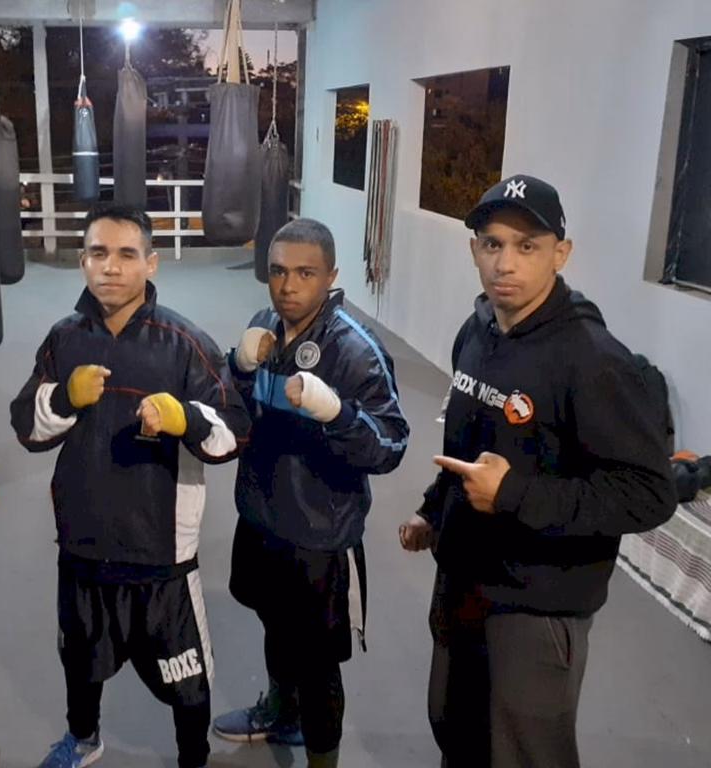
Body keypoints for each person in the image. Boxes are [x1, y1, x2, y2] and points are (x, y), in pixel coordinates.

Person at [398, 174, 677, 768]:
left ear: (560, 253)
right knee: (455, 731)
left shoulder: (594, 360)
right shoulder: (477, 332)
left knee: (525, 754)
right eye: (492, 244)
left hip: (537, 603)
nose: (505, 263)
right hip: (463, 577)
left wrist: (516, 494)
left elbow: (649, 494)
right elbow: (470, 446)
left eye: (527, 246)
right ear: (473, 249)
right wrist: (434, 508)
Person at [10, 204, 251, 768]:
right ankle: (83, 738)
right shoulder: (64, 338)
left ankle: (193, 757)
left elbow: (235, 431)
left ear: (151, 262)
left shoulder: (184, 342)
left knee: (186, 680)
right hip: (83, 545)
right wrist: (64, 397)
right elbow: (26, 426)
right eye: (98, 253)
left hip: (160, 554)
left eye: (126, 254)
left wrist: (185, 419)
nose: (111, 267)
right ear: (82, 261)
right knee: (80, 660)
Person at [211, 218, 410, 768]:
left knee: (319, 665)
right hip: (260, 517)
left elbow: (392, 445)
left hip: (320, 537)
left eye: (305, 273)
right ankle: (280, 709)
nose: (288, 286)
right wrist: (237, 367)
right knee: (273, 625)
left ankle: (322, 759)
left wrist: (337, 412)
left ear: (331, 276)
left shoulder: (355, 350)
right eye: (278, 271)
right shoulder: (261, 326)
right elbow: (232, 409)